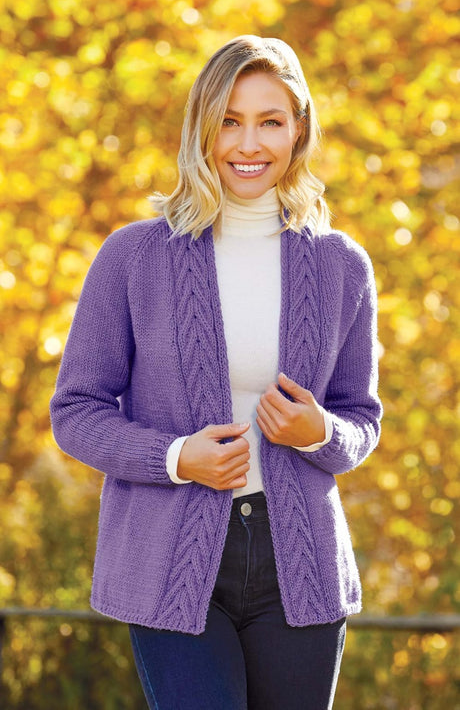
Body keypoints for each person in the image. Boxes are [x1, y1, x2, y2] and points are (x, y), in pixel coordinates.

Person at [50, 35, 382, 710]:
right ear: (202, 127)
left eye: (270, 121)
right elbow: (76, 409)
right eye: (229, 120)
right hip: (169, 558)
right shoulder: (133, 256)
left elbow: (361, 419)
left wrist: (320, 431)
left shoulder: (342, 265)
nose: (248, 143)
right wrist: (176, 457)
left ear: (299, 129)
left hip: (301, 565)